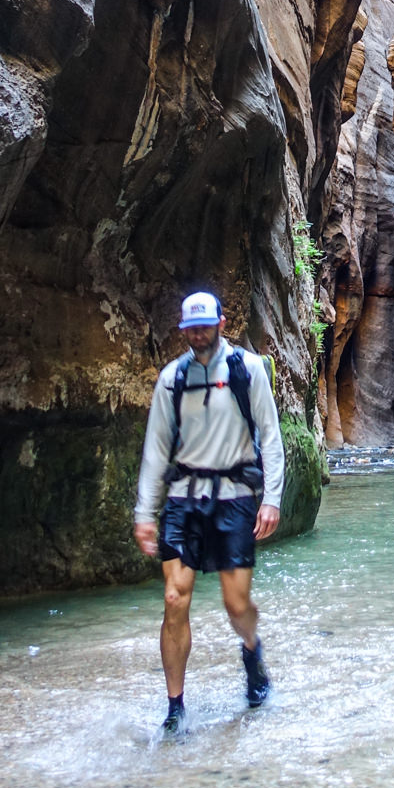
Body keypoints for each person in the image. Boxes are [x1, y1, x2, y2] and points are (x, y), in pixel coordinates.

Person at [134, 291, 284, 736]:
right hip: (184, 500)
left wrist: (271, 498)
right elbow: (156, 450)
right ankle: (175, 706)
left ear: (221, 322)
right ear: (184, 331)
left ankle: (251, 650)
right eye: (191, 328)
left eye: (205, 325)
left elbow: (270, 437)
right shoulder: (171, 380)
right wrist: (145, 512)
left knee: (236, 605)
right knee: (174, 598)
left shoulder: (248, 370)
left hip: (235, 497)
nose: (199, 334)